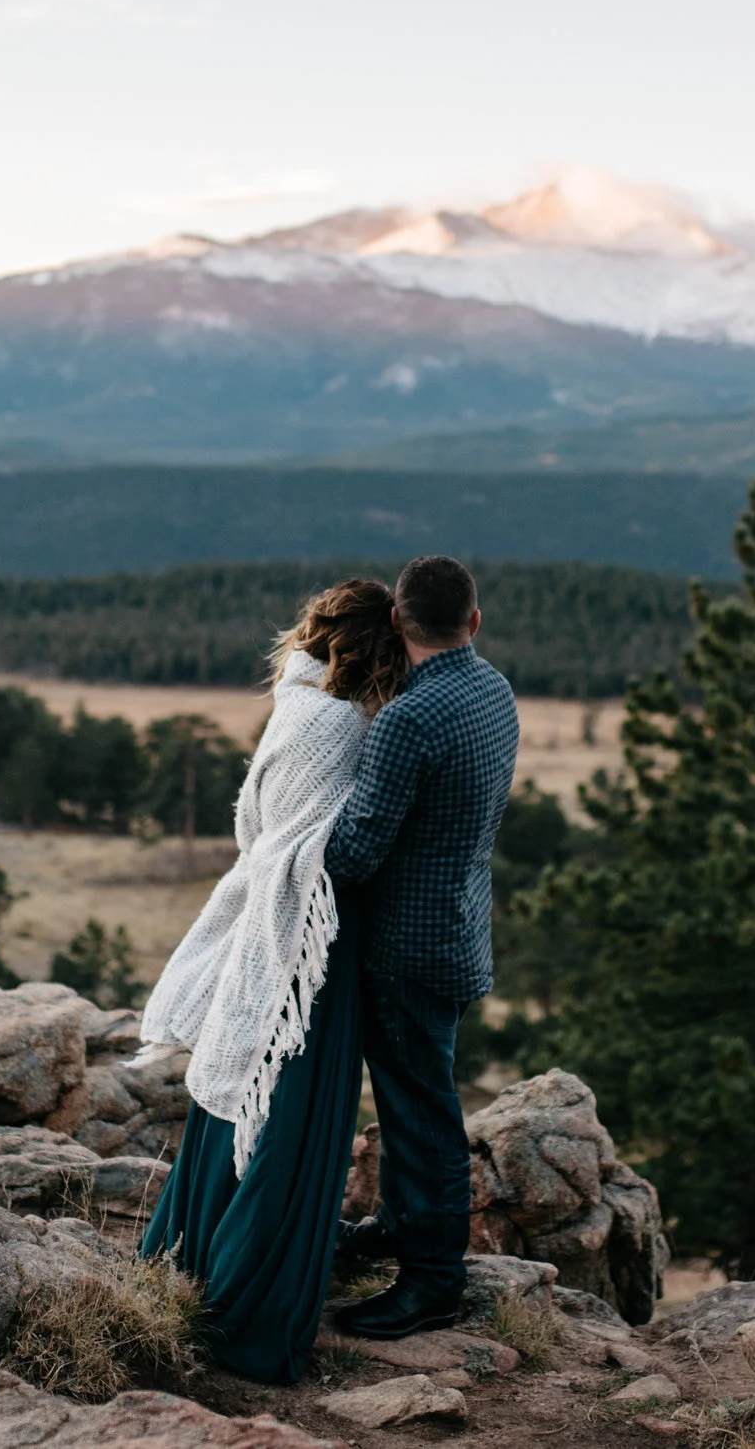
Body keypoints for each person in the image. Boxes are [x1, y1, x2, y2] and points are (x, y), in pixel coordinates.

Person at [137, 578, 408, 1383]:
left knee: (241, 1097)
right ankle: (248, 1308)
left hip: (276, 922)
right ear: (377, 649)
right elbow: (343, 836)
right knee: (294, 1115)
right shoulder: (348, 725)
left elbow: (259, 823)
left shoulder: (296, 699)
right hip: (313, 933)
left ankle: (192, 1270)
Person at [321, 555, 521, 1339]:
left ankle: (433, 1280)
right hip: (459, 928)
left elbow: (356, 853)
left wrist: (293, 839)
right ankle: (403, 1227)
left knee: (420, 1114)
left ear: (399, 622)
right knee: (417, 1099)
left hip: (406, 946)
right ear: (473, 622)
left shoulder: (410, 718)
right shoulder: (493, 689)